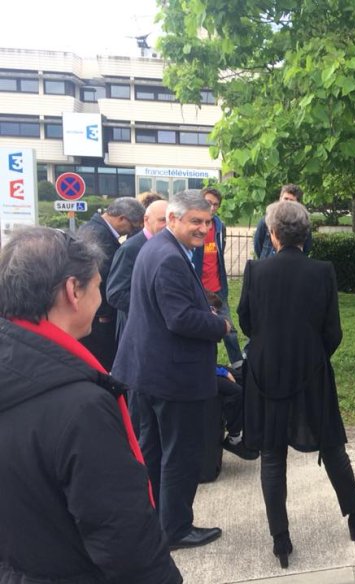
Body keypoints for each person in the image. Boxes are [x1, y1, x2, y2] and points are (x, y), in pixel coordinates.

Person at [0, 227, 181, 583]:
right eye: (98, 287)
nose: (103, 298)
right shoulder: (80, 406)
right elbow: (124, 536)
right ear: (73, 291)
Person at [238, 201, 355, 569]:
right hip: (310, 370)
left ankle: (280, 539)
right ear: (307, 235)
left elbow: (246, 322)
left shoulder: (255, 270)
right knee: (333, 446)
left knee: (272, 456)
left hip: (265, 371)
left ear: (272, 234)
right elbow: (332, 331)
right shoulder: (322, 271)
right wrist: (312, 356)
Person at [113, 190, 229, 550]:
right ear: (173, 219)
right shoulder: (168, 257)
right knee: (178, 454)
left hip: (149, 369)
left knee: (153, 450)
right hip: (171, 376)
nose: (203, 229)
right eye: (196, 221)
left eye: (207, 222)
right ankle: (176, 529)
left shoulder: (158, 247)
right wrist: (219, 325)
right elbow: (179, 319)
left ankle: (157, 522)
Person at [78, 196, 145, 370]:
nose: (131, 232)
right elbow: (103, 280)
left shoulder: (96, 229)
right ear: (121, 218)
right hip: (100, 317)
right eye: (132, 226)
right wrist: (104, 315)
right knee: (103, 363)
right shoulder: (98, 237)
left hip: (97, 314)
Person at [192, 186, 243, 366]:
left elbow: (219, 254)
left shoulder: (220, 226)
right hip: (198, 288)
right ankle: (205, 367)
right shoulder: (192, 226)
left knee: (229, 331)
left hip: (218, 288)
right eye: (208, 203)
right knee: (202, 332)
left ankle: (238, 366)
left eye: (216, 204)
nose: (212, 207)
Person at [106, 199, 168, 341]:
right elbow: (115, 294)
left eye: (170, 220)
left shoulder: (166, 244)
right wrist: (155, 307)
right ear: (146, 219)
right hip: (136, 332)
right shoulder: (131, 248)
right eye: (162, 220)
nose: (167, 225)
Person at [253, 184, 313, 258]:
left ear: (297, 203)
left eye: (291, 200)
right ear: (280, 199)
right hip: (267, 265)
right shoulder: (266, 221)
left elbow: (306, 247)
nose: (287, 203)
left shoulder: (303, 223)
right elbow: (258, 245)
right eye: (285, 199)